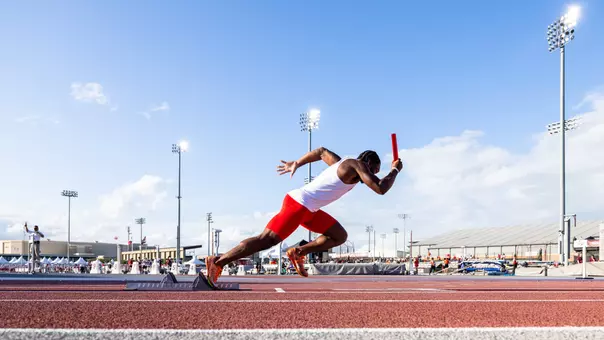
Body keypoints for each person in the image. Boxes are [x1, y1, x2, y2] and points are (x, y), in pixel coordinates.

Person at [204, 146, 403, 285]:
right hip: (299, 204)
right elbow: (380, 188)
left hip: (310, 210)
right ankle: (218, 262)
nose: (373, 174)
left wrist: (297, 163)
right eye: (374, 170)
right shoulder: (356, 165)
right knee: (266, 240)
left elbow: (321, 151)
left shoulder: (342, 164)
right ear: (368, 162)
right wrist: (394, 170)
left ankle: (298, 252)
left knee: (339, 236)